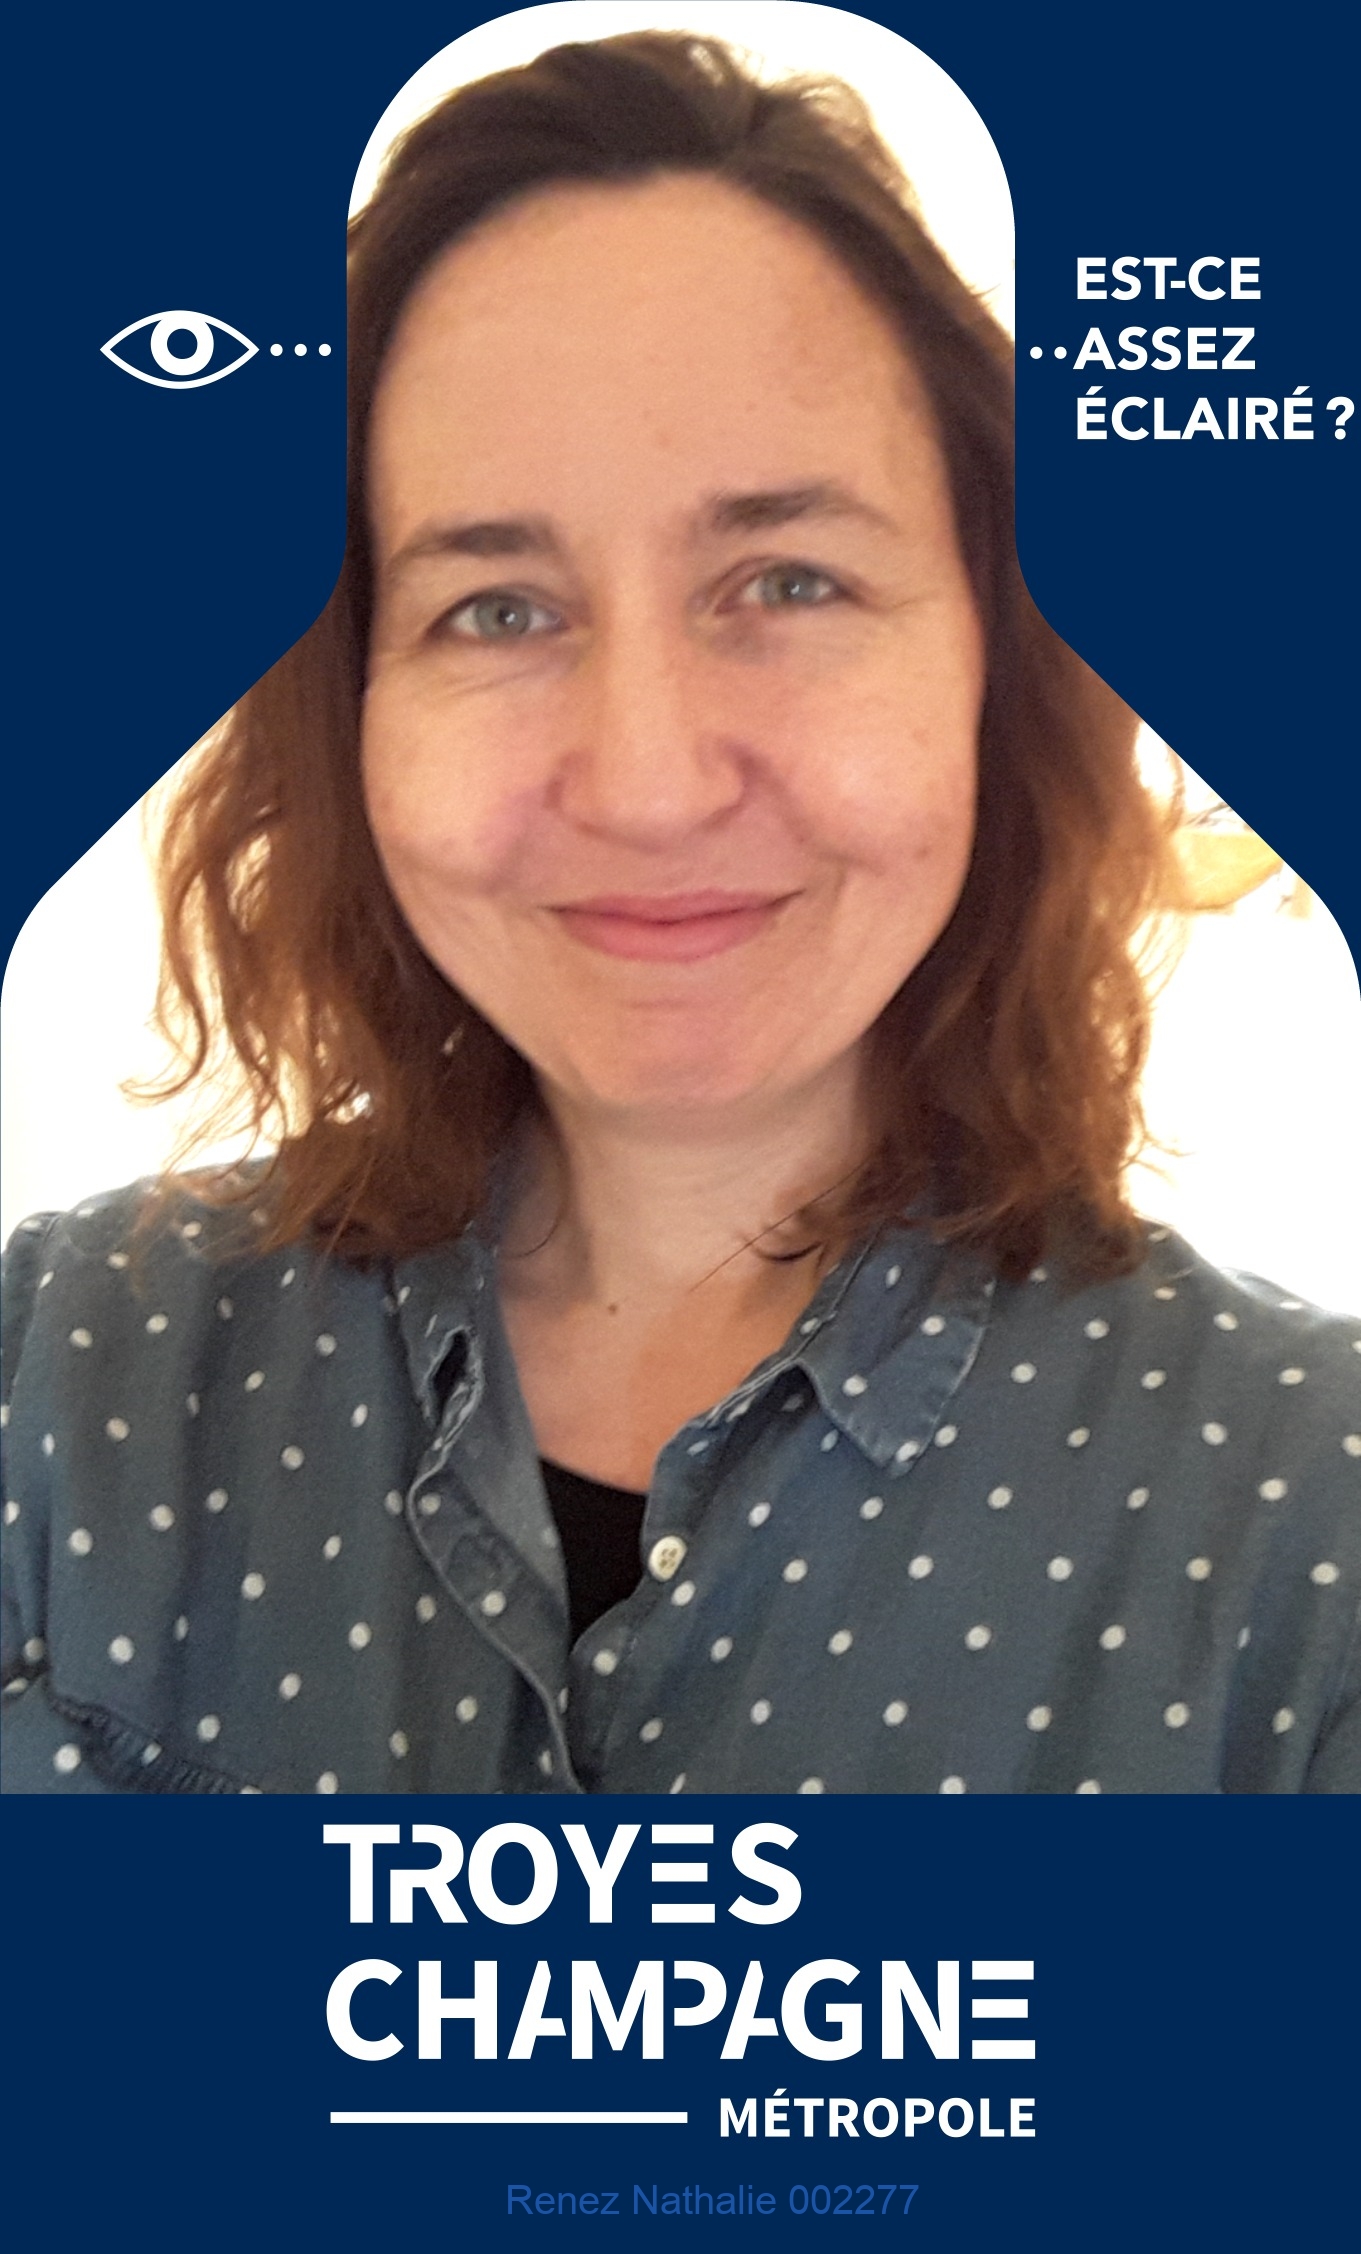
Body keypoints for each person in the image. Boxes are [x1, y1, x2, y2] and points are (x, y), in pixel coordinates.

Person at [2, 32, 1357, 1796]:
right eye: (495, 608)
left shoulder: (1310, 1517)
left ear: (994, 667)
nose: (645, 783)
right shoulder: (58, 1366)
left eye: (788, 580)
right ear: (351, 715)